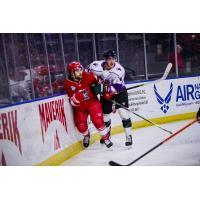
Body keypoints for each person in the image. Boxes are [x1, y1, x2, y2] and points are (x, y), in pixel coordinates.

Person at [88, 50, 133, 146]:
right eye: (109, 59)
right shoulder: (95, 66)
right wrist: (93, 85)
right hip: (105, 92)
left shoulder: (119, 71)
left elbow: (118, 87)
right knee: (105, 115)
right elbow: (86, 74)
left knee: (123, 113)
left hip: (119, 91)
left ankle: (128, 136)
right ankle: (107, 135)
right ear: (105, 60)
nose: (112, 61)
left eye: (113, 59)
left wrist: (105, 90)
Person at [63, 61, 113, 148]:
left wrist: (104, 90)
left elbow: (101, 83)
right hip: (80, 107)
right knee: (81, 127)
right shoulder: (67, 83)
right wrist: (78, 97)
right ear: (72, 73)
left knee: (98, 121)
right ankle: (86, 136)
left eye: (80, 69)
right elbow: (72, 101)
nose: (80, 72)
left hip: (92, 102)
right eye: (77, 70)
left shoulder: (88, 76)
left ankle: (105, 138)